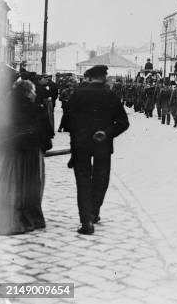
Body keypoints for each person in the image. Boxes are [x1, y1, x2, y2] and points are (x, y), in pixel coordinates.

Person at [65, 65, 129, 234]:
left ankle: (86, 221)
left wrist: (76, 141)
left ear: (89, 77)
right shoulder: (110, 95)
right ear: (104, 77)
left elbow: (67, 122)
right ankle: (94, 211)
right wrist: (106, 133)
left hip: (81, 145)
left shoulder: (77, 94)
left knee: (83, 181)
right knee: (101, 178)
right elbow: (124, 123)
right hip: (102, 144)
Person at [0, 80, 53, 235]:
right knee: (30, 185)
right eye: (33, 92)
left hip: (8, 152)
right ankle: (31, 217)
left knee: (10, 183)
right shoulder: (36, 108)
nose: (35, 94)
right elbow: (46, 133)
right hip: (30, 152)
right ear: (28, 92)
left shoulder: (4, 107)